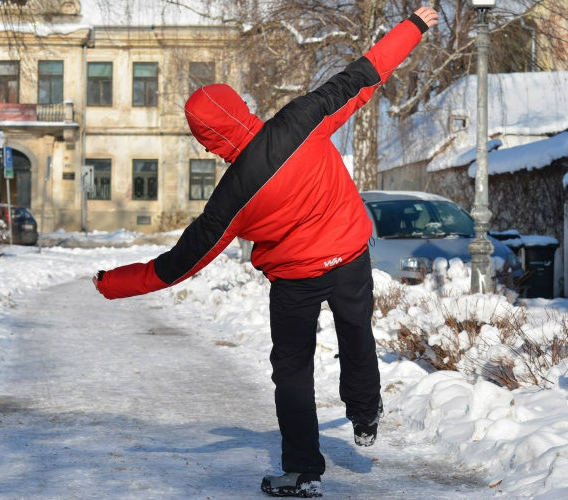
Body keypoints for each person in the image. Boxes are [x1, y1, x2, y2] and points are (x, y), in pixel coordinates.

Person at [93, 6, 438, 497]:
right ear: (241, 105)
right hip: (349, 257)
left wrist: (112, 284)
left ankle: (301, 471)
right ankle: (365, 414)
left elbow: (177, 265)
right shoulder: (302, 118)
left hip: (294, 281)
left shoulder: (231, 196)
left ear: (209, 141)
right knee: (356, 334)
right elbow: (364, 74)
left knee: (293, 371)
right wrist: (415, 26)